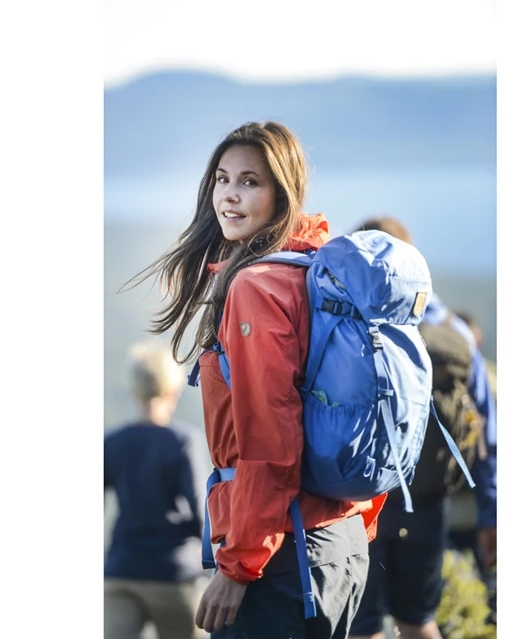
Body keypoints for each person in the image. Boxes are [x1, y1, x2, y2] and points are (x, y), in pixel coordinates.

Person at [127, 121, 385, 638]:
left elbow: (269, 437)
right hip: (339, 541)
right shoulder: (316, 270)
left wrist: (239, 566)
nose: (229, 194)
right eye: (223, 179)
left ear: (282, 193)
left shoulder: (257, 286)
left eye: (250, 181)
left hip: (283, 554)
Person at [347, 216, 497, 639]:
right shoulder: (455, 331)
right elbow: (487, 433)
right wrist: (491, 513)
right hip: (429, 502)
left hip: (364, 500)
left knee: (363, 626)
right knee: (418, 620)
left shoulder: (350, 318)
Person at [104, 340, 211, 639]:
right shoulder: (182, 442)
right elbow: (201, 511)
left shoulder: (113, 442)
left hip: (122, 571)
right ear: (173, 391)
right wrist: (212, 567)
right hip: (174, 574)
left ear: (134, 389)